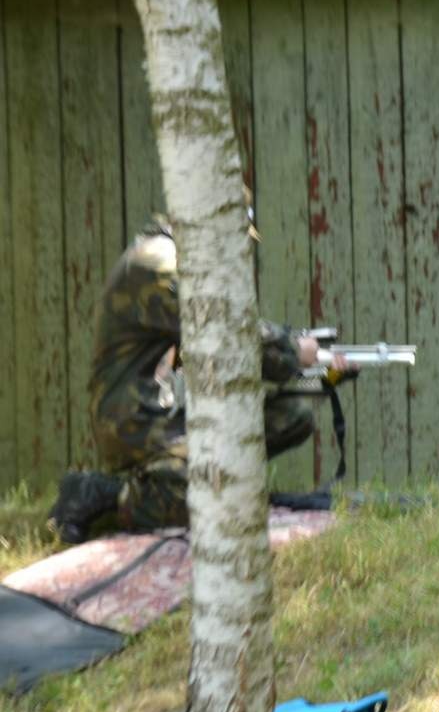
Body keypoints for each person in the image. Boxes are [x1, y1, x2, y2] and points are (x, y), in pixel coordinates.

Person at [46, 217, 319, 544]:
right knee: (207, 503)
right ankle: (102, 494)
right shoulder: (158, 264)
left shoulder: (168, 260)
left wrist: (313, 365)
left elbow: (222, 351)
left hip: (166, 411)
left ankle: (166, 482)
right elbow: (223, 333)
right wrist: (293, 350)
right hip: (136, 420)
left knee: (292, 414)